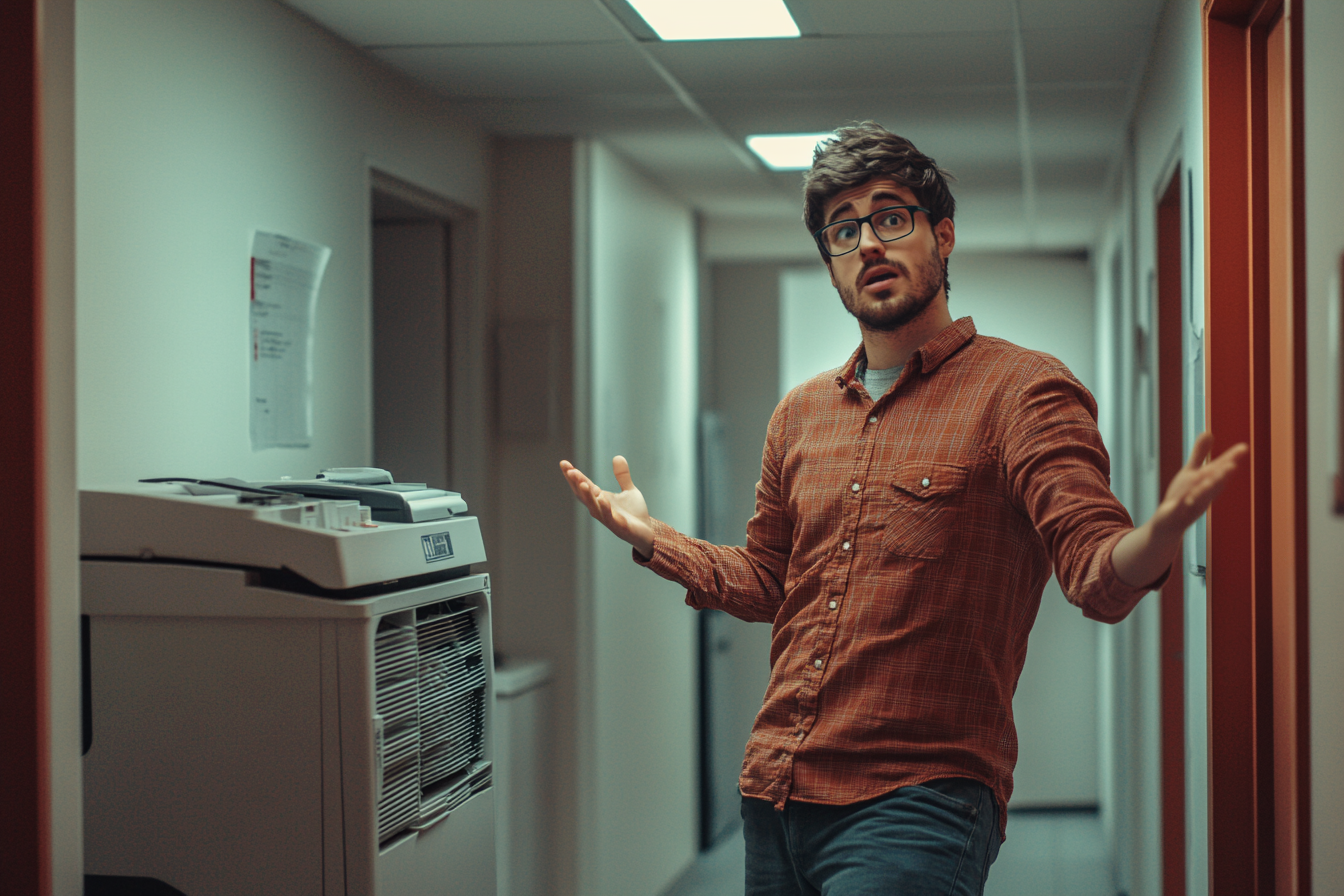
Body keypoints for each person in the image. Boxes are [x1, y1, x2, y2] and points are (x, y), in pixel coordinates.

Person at [559, 122, 1246, 896]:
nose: (868, 246)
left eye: (891, 219)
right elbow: (766, 581)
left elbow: (1095, 569)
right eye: (843, 232)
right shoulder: (800, 414)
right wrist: (656, 541)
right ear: (831, 266)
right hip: (776, 792)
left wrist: (1156, 536)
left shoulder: (1021, 390)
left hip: (919, 802)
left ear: (941, 235)